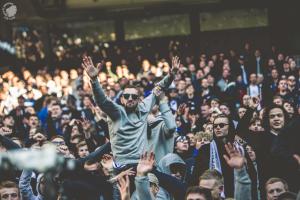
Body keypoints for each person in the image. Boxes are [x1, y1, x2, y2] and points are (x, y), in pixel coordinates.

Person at [82, 55, 179, 167]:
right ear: (122, 99)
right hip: (122, 166)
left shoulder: (143, 108)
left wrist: (171, 75)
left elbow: (159, 89)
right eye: (127, 96)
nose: (130, 99)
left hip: (142, 165)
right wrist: (94, 80)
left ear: (138, 99)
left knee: (174, 184)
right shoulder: (117, 112)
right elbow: (102, 100)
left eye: (133, 96)